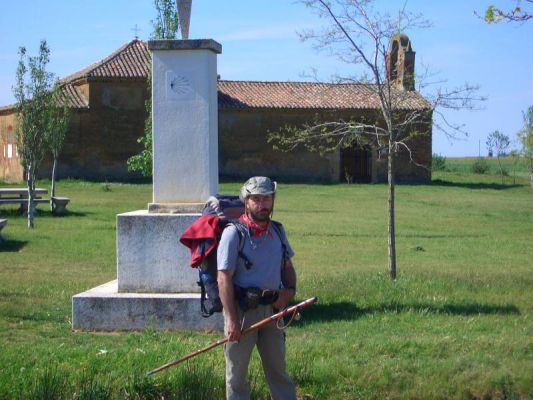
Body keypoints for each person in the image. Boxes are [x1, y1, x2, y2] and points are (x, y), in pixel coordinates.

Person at [217, 176, 297, 400]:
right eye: (257, 199)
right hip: (242, 313)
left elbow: (287, 267)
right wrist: (231, 319)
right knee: (237, 376)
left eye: (267, 199)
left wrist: (288, 293)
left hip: (273, 312)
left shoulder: (277, 232)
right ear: (246, 201)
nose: (263, 205)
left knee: (278, 371)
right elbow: (223, 278)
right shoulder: (233, 234)